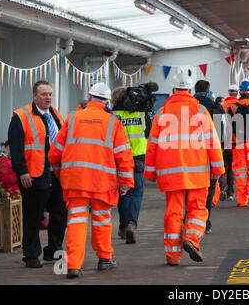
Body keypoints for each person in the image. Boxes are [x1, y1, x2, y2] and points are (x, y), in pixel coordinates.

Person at [48, 82, 135, 279]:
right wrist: (126, 182)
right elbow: (123, 155)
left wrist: (59, 172)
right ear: (106, 101)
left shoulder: (72, 118)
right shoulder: (113, 122)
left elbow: (55, 153)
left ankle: (73, 266)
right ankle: (105, 259)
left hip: (75, 182)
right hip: (102, 183)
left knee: (76, 222)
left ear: (89, 97)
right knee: (101, 221)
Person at [144, 69, 224, 266]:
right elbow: (212, 143)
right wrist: (218, 169)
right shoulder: (200, 112)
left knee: (173, 212)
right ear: (189, 90)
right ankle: (191, 238)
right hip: (197, 171)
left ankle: (172, 256)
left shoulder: (162, 113)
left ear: (173, 89)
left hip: (170, 173)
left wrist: (150, 172)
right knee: (198, 209)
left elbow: (152, 145)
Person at [8, 80, 67, 268]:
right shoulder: (21, 116)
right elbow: (16, 148)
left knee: (59, 215)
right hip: (34, 175)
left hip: (56, 174)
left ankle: (54, 251)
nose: (48, 97)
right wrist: (22, 171)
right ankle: (31, 255)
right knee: (33, 217)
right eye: (43, 94)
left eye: (50, 94)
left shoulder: (56, 115)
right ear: (34, 96)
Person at [110, 86, 152, 244]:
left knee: (123, 192)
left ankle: (122, 226)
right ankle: (131, 223)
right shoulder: (141, 112)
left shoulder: (113, 114)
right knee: (136, 191)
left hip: (119, 158)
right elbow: (148, 131)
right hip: (139, 156)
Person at [193, 79, 221, 234]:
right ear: (209, 90)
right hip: (210, 154)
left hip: (189, 154)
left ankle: (189, 221)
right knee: (208, 191)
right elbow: (223, 132)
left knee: (190, 191)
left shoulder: (188, 106)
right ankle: (205, 223)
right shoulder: (215, 106)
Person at [221, 84, 240, 201]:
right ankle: (231, 193)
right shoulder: (239, 105)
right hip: (235, 141)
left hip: (223, 141)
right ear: (237, 93)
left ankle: (222, 188)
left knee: (222, 167)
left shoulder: (222, 105)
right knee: (232, 168)